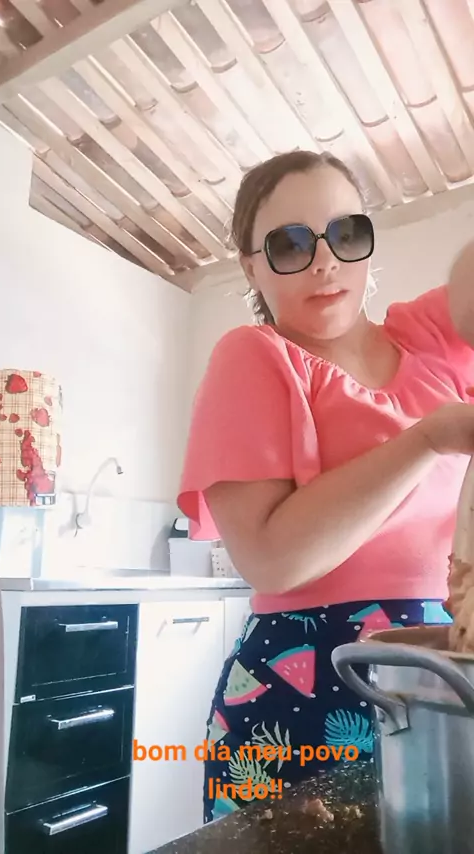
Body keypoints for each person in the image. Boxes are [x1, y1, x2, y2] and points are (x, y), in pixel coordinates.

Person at [177, 150, 474, 823]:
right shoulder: (256, 356)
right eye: (290, 244)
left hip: (446, 672)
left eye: (346, 232)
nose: (325, 261)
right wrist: (425, 439)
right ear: (251, 266)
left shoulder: (427, 337)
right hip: (298, 687)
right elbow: (271, 558)